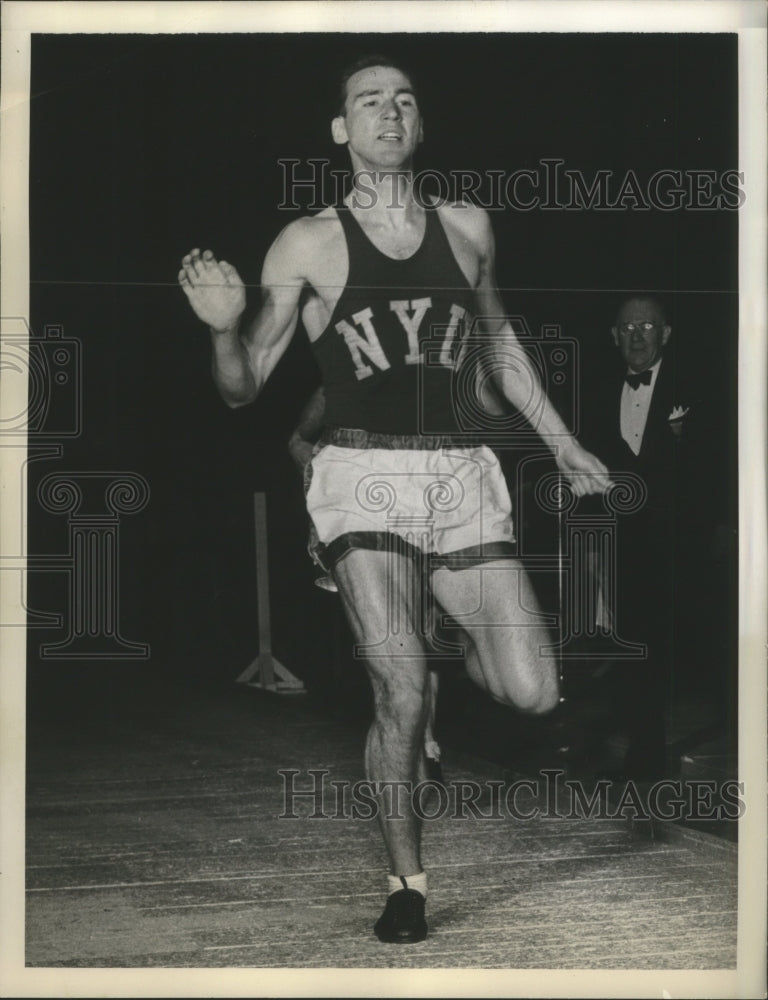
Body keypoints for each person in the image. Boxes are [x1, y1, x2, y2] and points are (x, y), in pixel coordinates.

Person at [179, 54, 610, 943]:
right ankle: (406, 883)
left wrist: (566, 447)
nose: (390, 111)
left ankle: (440, 639)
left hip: (460, 474)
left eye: (404, 100)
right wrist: (224, 334)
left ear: (420, 126)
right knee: (402, 690)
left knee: (533, 691)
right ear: (341, 130)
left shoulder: (468, 225)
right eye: (369, 101)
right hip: (362, 474)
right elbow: (243, 385)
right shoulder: (308, 242)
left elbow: (501, 348)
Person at [288, 384, 444, 780]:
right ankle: (414, 757)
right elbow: (297, 442)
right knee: (389, 653)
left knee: (424, 634)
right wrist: (330, 489)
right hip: (363, 529)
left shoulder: (423, 375)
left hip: (421, 515)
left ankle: (427, 745)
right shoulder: (339, 380)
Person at [578, 295, 697, 782]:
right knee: (633, 649)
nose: (638, 335)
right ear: (614, 337)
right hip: (621, 547)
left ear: (666, 334)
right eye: (627, 327)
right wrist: (588, 544)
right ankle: (644, 755)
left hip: (681, 547)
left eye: (648, 325)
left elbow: (714, 467)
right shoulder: (598, 392)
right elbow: (585, 470)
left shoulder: (695, 387)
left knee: (686, 652)